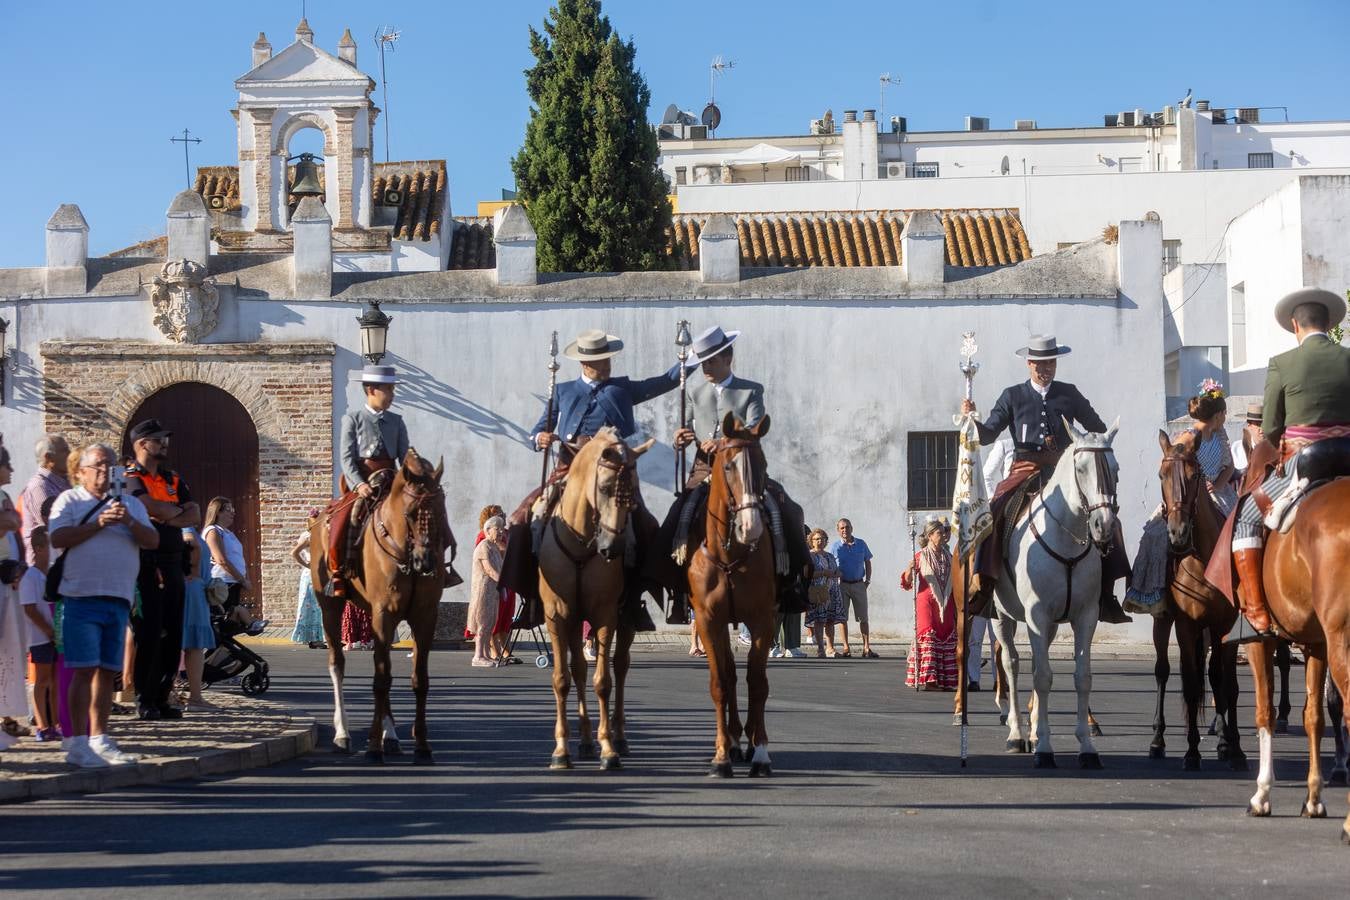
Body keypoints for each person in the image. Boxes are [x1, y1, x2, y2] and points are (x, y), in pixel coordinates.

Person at [511, 328, 682, 631]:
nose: (606, 366)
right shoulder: (563, 391)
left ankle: (634, 597)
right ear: (584, 364)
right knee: (523, 518)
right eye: (600, 361)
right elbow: (535, 432)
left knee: (645, 524)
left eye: (608, 360)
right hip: (569, 466)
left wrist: (690, 359)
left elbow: (665, 382)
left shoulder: (622, 388)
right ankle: (530, 597)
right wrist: (541, 437)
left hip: (614, 471)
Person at [960, 333, 1132, 624]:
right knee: (994, 512)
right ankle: (985, 584)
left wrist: (1084, 443)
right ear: (1029, 364)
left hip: (1064, 471)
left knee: (1106, 517)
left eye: (1050, 362)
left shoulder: (1069, 393)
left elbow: (1098, 428)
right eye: (1039, 363)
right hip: (1024, 468)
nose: (1045, 368)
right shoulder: (1012, 395)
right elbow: (988, 433)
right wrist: (970, 420)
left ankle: (1106, 594)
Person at [1216, 288, 1350, 642]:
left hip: (1307, 462)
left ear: (1295, 326)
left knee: (1245, 515)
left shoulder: (1283, 363)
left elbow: (1272, 428)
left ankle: (1255, 613)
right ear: (1330, 324)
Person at [666, 325, 810, 605]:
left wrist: (721, 444)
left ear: (727, 359)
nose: (706, 367)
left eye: (711, 361)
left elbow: (754, 428)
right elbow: (686, 428)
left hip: (744, 470)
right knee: (677, 515)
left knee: (787, 511)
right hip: (705, 470)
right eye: (703, 361)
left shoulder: (751, 391)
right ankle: (675, 584)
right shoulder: (695, 393)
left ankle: (792, 580)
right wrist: (680, 437)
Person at [49, 442, 160, 767]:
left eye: (111, 465)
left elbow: (152, 540)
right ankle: (76, 741)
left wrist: (129, 521)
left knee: (107, 672)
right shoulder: (70, 500)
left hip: (119, 596)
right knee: (83, 669)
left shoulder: (130, 505)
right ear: (80, 471)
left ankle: (100, 737)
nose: (106, 470)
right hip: (80, 596)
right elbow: (58, 538)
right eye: (98, 465)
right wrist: (97, 524)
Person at [124, 418, 200, 721]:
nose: (165, 444)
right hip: (146, 563)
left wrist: (168, 516)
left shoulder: (173, 479)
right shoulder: (131, 477)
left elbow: (193, 511)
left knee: (173, 634)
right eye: (159, 439)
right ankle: (145, 698)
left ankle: (164, 696)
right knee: (150, 632)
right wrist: (169, 512)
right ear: (143, 444)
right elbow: (147, 507)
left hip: (173, 563)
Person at [328, 365, 411, 598]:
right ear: (372, 389)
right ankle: (338, 570)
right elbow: (346, 457)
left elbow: (404, 457)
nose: (393, 395)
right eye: (389, 389)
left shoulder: (397, 421)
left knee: (422, 511)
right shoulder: (353, 419)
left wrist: (412, 478)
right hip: (364, 481)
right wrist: (359, 484)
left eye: (393, 389)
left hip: (391, 480)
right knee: (344, 517)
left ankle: (436, 568)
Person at [902, 516, 960, 691]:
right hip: (926, 601)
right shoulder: (920, 556)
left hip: (946, 602)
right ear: (929, 536)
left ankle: (945, 679)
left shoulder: (949, 556)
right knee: (929, 635)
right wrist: (910, 569)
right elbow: (907, 583)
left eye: (943, 533)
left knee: (946, 635)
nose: (943, 536)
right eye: (938, 533)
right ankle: (929, 680)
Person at [202, 497, 267, 636]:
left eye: (233, 509)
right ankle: (250, 624)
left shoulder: (228, 533)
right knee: (226, 617)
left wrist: (244, 578)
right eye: (228, 509)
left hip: (233, 582)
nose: (232, 513)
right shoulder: (213, 531)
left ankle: (245, 626)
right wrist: (242, 580)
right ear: (217, 512)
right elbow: (221, 560)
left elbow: (238, 558)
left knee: (230, 620)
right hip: (221, 582)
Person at [19, 526, 59, 741]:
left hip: (55, 635)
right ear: (39, 548)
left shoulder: (52, 574)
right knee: (42, 680)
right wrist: (48, 631)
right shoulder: (30, 577)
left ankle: (56, 723)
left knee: (55, 681)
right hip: (40, 637)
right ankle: (42, 725)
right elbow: (30, 609)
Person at [1182, 380, 1238, 515]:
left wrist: (1217, 485)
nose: (1225, 417)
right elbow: (1169, 461)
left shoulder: (1219, 434)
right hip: (1195, 496)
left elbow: (1230, 466)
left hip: (1220, 493)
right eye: (1225, 413)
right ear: (1218, 415)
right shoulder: (1189, 437)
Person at [179, 527, 216, 710]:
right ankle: (195, 697)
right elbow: (191, 543)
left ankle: (178, 694)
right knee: (194, 645)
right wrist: (193, 569)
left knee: (183, 643)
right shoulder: (186, 528)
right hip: (193, 589)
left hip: (191, 587)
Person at [829, 518, 877, 658]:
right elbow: (831, 565)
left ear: (852, 528)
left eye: (847, 527)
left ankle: (866, 648)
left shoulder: (861, 544)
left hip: (859, 584)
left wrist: (867, 581)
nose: (845, 530)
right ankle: (846, 647)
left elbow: (867, 562)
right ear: (838, 531)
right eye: (842, 528)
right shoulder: (835, 547)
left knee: (864, 618)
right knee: (842, 617)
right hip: (842, 585)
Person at [20, 434, 70, 563]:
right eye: (64, 450)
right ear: (48, 458)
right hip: (45, 570)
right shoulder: (39, 487)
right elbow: (54, 527)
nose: (70, 454)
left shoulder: (65, 482)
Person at [468, 516, 507, 667]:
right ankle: (478, 656)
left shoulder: (494, 547)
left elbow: (500, 568)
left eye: (502, 529)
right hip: (483, 590)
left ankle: (485, 654)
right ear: (488, 530)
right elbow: (489, 569)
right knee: (482, 624)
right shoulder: (484, 546)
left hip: (493, 591)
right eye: (498, 529)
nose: (501, 532)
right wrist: (503, 583)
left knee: (490, 623)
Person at [804, 528, 845, 658]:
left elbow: (835, 570)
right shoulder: (809, 556)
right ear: (811, 541)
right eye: (817, 539)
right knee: (819, 620)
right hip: (818, 591)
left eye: (823, 539)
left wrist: (838, 573)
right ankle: (820, 648)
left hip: (832, 591)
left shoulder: (829, 556)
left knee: (830, 620)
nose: (820, 541)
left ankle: (830, 648)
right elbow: (806, 574)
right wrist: (823, 573)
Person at [289, 526, 325, 648]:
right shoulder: (308, 537)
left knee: (319, 606)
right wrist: (307, 564)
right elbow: (294, 553)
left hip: (319, 573)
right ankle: (314, 639)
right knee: (314, 606)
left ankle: (318, 638)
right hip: (311, 574)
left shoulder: (319, 534)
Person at [1230, 403, 1264, 479]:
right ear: (1249, 426)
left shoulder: (1275, 448)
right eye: (1258, 424)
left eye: (1265, 424)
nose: (1261, 429)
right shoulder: (1237, 448)